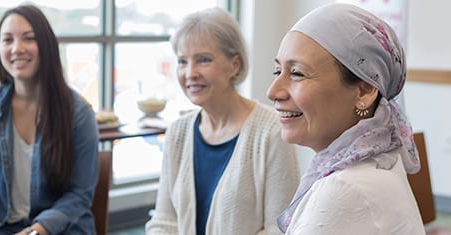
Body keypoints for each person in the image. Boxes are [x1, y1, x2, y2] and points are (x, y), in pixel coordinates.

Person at [267, 3, 425, 234]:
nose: (273, 91)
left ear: (364, 91)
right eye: (277, 71)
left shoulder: (343, 189)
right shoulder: (377, 161)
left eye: (297, 73)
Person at [145, 7, 300, 235]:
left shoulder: (272, 132)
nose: (190, 73)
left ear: (234, 65)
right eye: (182, 61)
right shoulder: (177, 132)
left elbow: (279, 230)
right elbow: (164, 220)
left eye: (203, 60)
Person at [0, 4, 99, 235]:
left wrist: (36, 231)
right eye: (7, 40)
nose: (17, 48)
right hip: (2, 226)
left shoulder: (78, 112)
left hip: (61, 228)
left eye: (28, 38)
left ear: (45, 46)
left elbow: (80, 193)